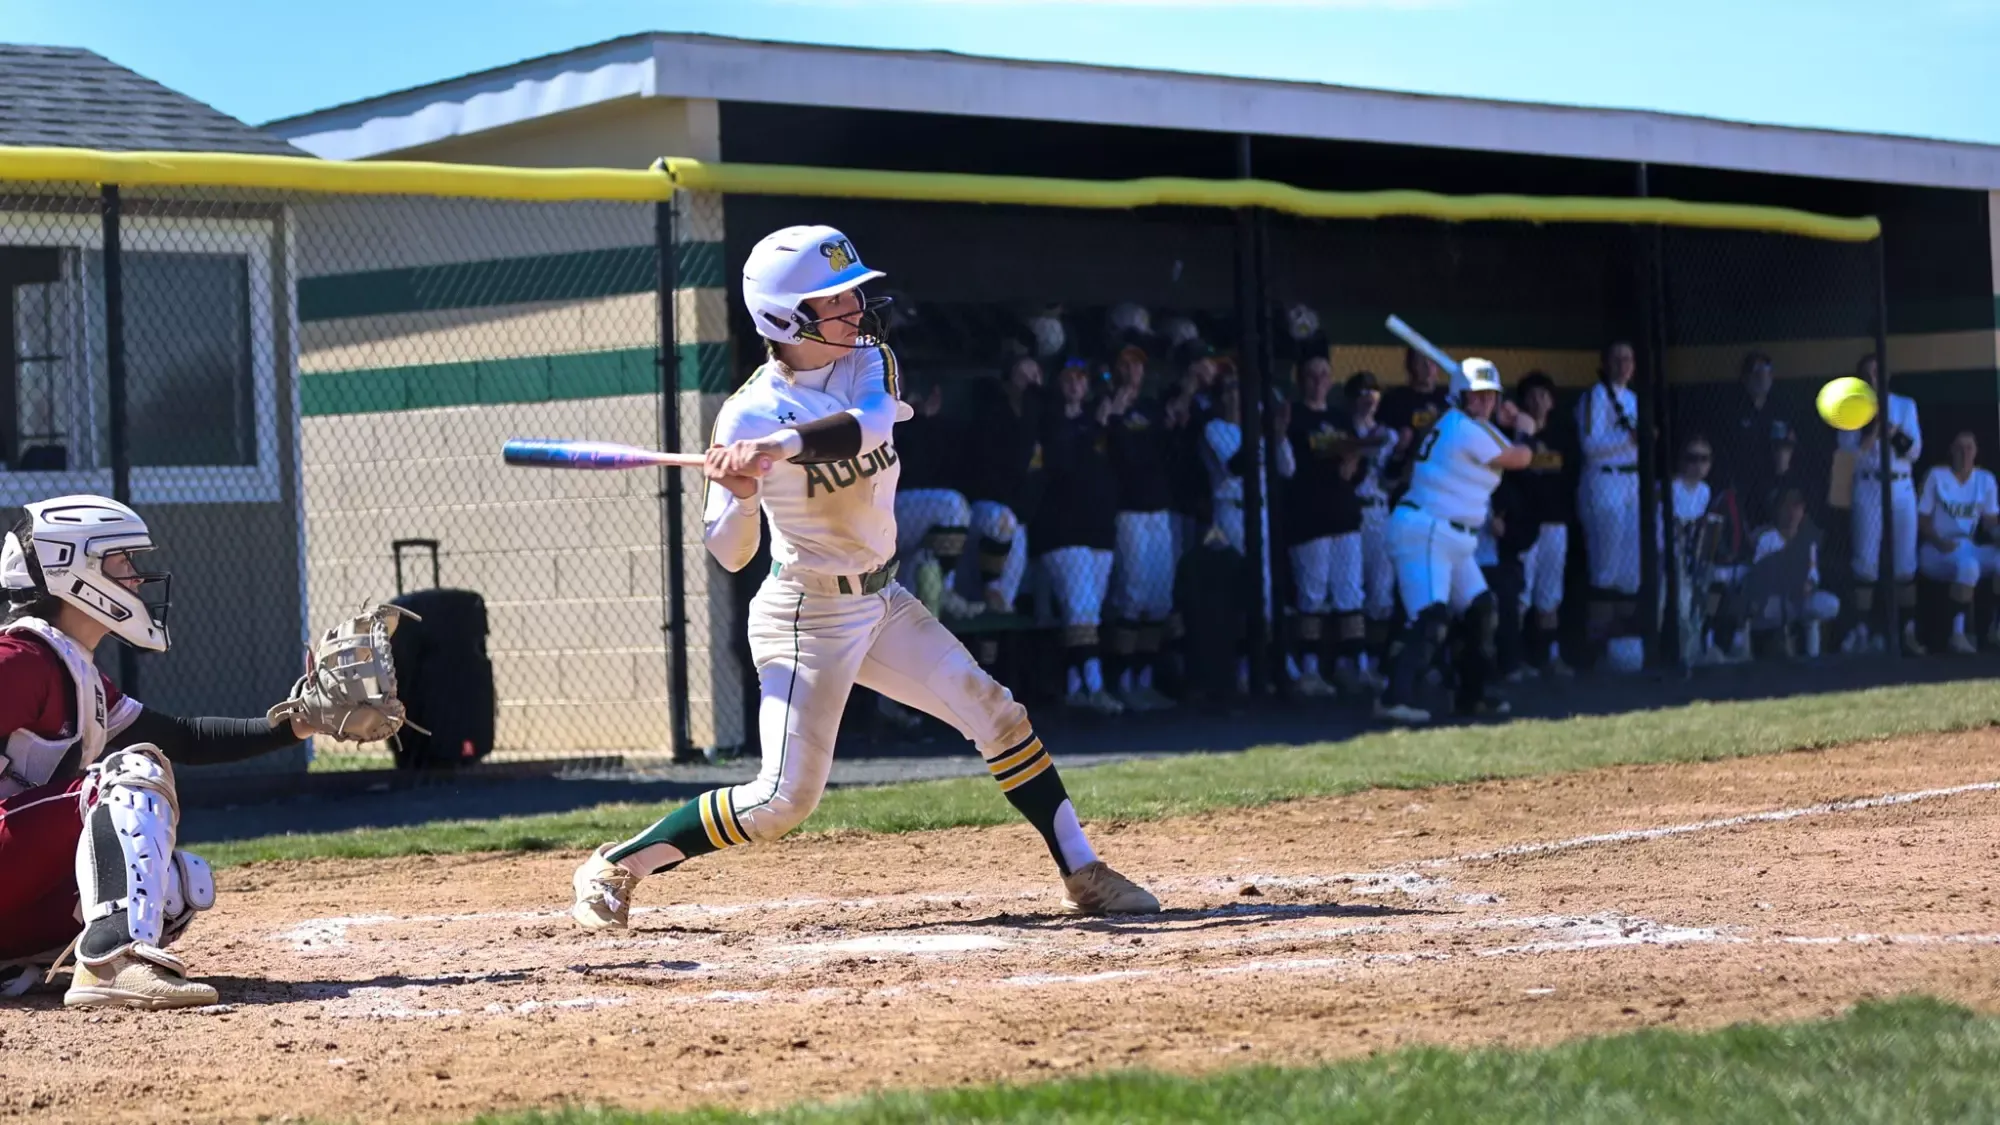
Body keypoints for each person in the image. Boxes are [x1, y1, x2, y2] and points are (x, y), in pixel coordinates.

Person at [569, 226, 1157, 927]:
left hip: (883, 600)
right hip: (805, 615)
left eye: (851, 294)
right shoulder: (744, 414)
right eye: (834, 299)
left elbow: (870, 426)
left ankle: (1080, 868)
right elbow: (730, 553)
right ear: (786, 318)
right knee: (781, 801)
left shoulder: (868, 361)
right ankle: (617, 864)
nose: (855, 309)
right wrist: (746, 487)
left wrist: (781, 448)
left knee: (997, 712)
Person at [0, 496, 374, 1008]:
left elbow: (187, 737)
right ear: (72, 568)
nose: (135, 576)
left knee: (173, 888)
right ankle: (110, 963)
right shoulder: (20, 659)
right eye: (119, 561)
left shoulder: (71, 668)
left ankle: (16, 965)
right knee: (132, 770)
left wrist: (301, 722)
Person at [1377, 358, 1538, 725]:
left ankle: (1471, 696)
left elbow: (1502, 444)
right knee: (1430, 617)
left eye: (1489, 396)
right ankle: (1393, 697)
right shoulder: (1461, 427)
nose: (1484, 403)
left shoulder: (1476, 427)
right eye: (1476, 396)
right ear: (1459, 397)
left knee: (1481, 609)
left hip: (1454, 537)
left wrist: (1511, 423)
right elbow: (1518, 457)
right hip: (1427, 530)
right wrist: (1525, 428)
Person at [1034, 358, 1123, 714]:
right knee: (1082, 609)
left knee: (1087, 613)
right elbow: (1064, 466)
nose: (1075, 384)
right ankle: (1096, 686)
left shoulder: (1098, 423)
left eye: (1081, 379)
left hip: (1099, 530)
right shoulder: (1052, 423)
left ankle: (1075, 687)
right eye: (1069, 378)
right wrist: (1098, 426)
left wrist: (1108, 423)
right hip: (1063, 531)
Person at [1283, 356, 1366, 697]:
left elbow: (1357, 467)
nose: (1318, 381)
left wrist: (1352, 467)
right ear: (1300, 379)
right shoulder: (1293, 418)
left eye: (1324, 375)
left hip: (1345, 515)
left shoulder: (1340, 418)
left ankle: (1355, 666)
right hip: (1309, 518)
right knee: (1312, 595)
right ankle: (1310, 670)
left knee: (1349, 592)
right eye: (1311, 374)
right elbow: (1287, 468)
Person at [1102, 344, 1178, 712]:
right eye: (1126, 364)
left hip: (1158, 511)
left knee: (1159, 598)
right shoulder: (1109, 407)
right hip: (1128, 512)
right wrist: (1114, 409)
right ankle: (1124, 679)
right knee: (1132, 595)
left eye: (1138, 365)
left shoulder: (1151, 408)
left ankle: (1145, 679)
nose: (1134, 371)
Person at [1839, 353, 1923, 654]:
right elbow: (1847, 456)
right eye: (1867, 374)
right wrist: (1872, 430)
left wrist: (1891, 430)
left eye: (1877, 372)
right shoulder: (1850, 408)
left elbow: (1914, 452)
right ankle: (1862, 632)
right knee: (1865, 563)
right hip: (1868, 484)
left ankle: (1907, 632)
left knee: (1905, 563)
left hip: (1900, 484)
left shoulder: (1904, 405)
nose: (1873, 378)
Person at [891, 374, 981, 622]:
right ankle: (947, 591)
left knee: (924, 569)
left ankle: (941, 594)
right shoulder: (867, 409)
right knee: (952, 506)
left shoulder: (918, 420)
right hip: (877, 508)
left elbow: (927, 470)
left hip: (908, 517)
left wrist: (924, 420)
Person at [962, 352, 1046, 617]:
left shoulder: (1044, 418)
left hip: (1020, 521)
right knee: (1003, 520)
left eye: (1036, 376)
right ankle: (990, 585)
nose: (1031, 383)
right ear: (1009, 381)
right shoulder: (994, 415)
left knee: (1003, 606)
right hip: (987, 510)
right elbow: (1013, 466)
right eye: (1024, 376)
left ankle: (989, 654)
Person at [1575, 341, 1642, 646]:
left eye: (1628, 359)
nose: (1623, 364)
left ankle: (1623, 642)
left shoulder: (1634, 399)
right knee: (1606, 565)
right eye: (1616, 359)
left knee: (1631, 568)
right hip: (1604, 480)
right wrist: (1628, 440)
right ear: (1605, 362)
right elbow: (1590, 446)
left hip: (1632, 481)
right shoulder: (1596, 396)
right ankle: (1598, 644)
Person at [1509, 372, 1576, 677]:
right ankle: (1516, 658)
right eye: (1532, 395)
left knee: (1550, 594)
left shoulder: (1562, 433)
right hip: (1526, 524)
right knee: (1522, 594)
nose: (1538, 401)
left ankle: (1551, 655)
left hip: (1555, 523)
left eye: (1543, 395)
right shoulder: (1515, 435)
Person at [1916, 431, 2000, 654]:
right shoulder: (1936, 476)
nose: (1965, 453)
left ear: (1976, 452)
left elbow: (1991, 520)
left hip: (1967, 545)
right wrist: (1938, 541)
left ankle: (1995, 628)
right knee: (1968, 566)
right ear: (1951, 451)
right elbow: (1922, 520)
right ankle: (1958, 634)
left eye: (1969, 448)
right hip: (1936, 549)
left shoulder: (1985, 479)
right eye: (1960, 448)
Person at [1345, 371, 1399, 681]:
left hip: (1380, 511)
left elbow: (1392, 479)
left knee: (1381, 594)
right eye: (1363, 392)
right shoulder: (1345, 429)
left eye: (1373, 392)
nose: (1368, 399)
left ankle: (1378, 664)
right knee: (1352, 590)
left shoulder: (1389, 434)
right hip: (1353, 512)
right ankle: (1355, 664)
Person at [1743, 489, 1838, 658]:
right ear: (1778, 510)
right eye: (1787, 507)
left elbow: (1813, 574)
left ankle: (1812, 658)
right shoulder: (1768, 538)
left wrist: (1809, 584)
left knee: (1830, 603)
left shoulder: (1808, 539)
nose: (1792, 513)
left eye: (1797, 507)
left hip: (1801, 599)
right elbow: (1759, 576)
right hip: (1774, 601)